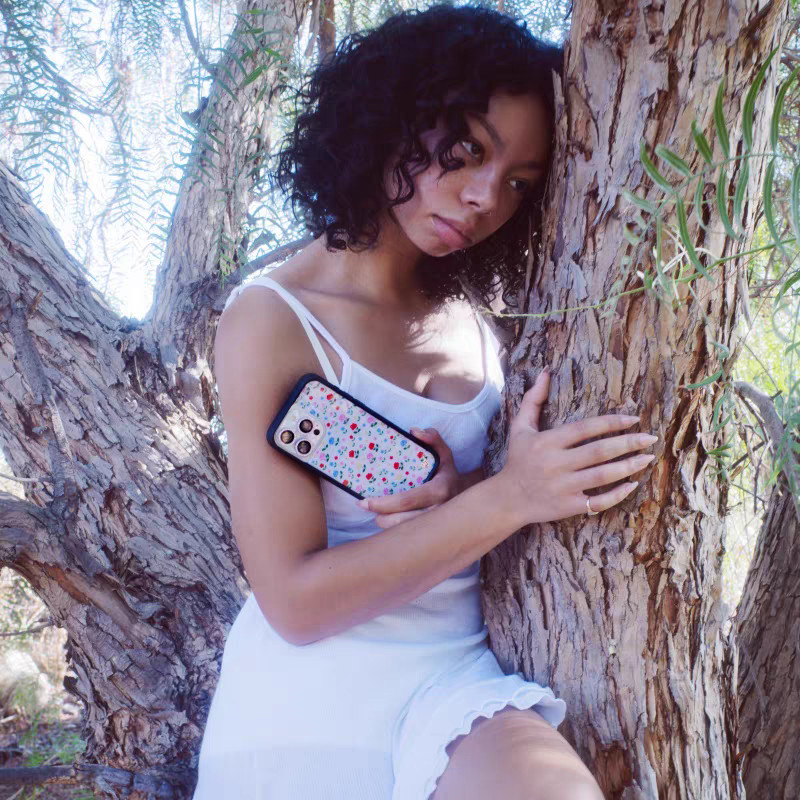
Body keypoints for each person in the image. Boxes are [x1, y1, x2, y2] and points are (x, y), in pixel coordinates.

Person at [192, 5, 656, 799]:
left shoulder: (486, 323)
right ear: (390, 114)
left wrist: (468, 489)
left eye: (518, 182)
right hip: (306, 702)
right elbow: (295, 603)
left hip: (456, 677)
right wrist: (510, 497)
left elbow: (475, 505)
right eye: (467, 150)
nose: (484, 197)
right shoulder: (272, 319)